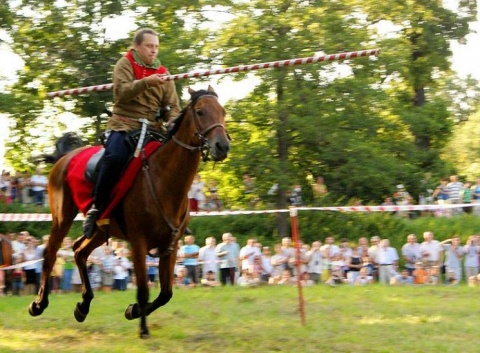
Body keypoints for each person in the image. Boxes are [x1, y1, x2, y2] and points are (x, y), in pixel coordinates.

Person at [82, 27, 181, 238]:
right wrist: (146, 82)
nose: (153, 50)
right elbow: (122, 93)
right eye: (149, 46)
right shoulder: (125, 64)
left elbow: (172, 106)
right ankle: (97, 209)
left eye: (156, 47)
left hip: (153, 129)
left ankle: (175, 214)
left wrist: (173, 120)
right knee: (114, 157)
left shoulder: (164, 73)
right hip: (124, 125)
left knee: (176, 161)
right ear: (137, 46)